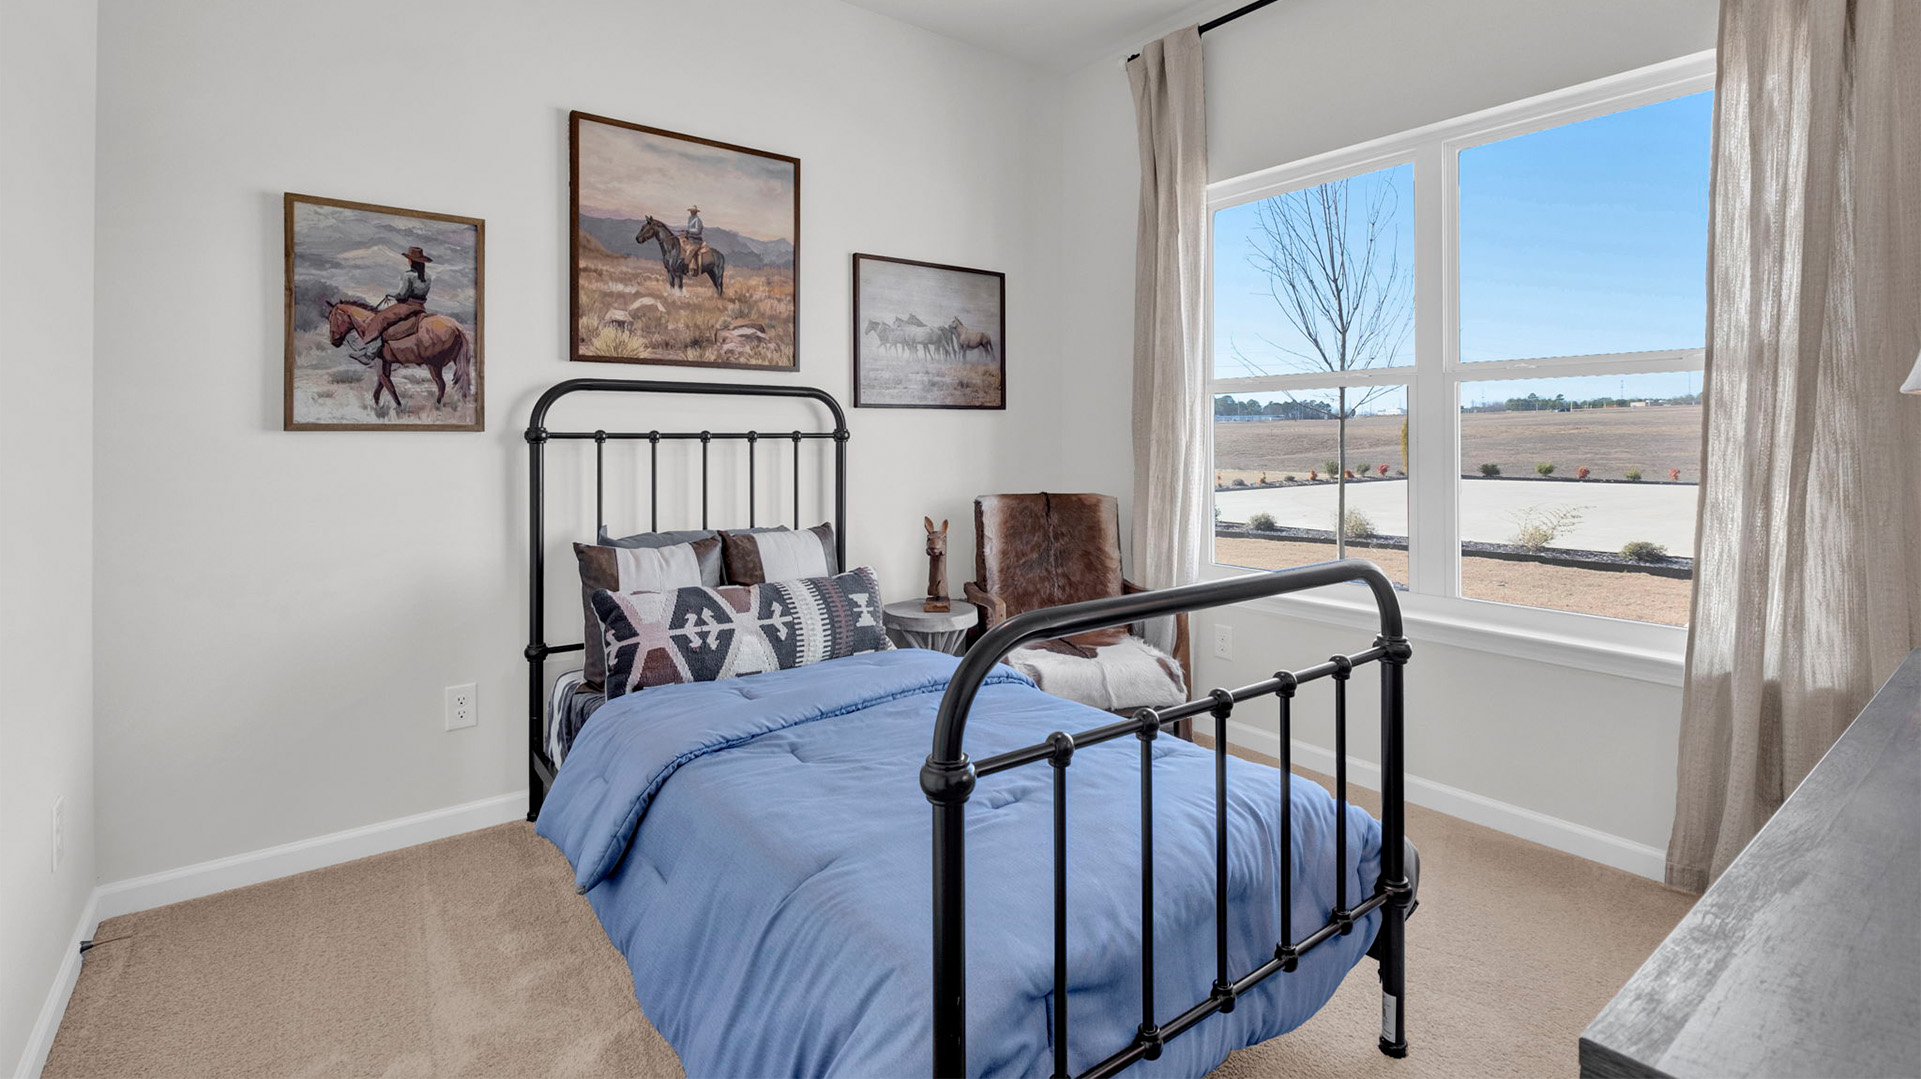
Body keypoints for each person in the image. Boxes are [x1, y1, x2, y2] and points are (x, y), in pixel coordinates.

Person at [357, 246, 432, 359]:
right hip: (421, 307)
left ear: (410, 261)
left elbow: (402, 295)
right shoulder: (428, 276)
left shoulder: (408, 275)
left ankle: (371, 352)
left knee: (380, 318)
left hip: (407, 306)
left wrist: (390, 294)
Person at [682, 205, 706, 271]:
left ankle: (685, 268)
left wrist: (689, 231)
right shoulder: (690, 218)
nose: (691, 212)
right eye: (691, 211)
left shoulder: (698, 220)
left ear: (696, 212)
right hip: (690, 239)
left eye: (693, 211)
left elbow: (698, 230)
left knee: (690, 251)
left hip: (696, 241)